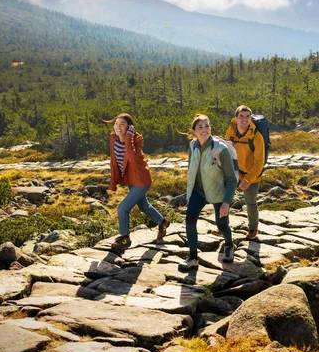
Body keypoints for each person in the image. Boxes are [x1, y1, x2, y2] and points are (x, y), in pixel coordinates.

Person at [179, 114, 238, 272]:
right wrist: (189, 194)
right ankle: (192, 258)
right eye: (200, 127)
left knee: (221, 224)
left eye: (207, 126)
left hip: (218, 191)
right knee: (190, 219)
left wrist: (227, 202)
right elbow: (192, 171)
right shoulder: (192, 146)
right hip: (198, 191)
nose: (204, 129)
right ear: (194, 131)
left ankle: (229, 245)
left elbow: (232, 179)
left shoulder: (221, 149)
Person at [108, 113, 169, 251]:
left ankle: (125, 237)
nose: (118, 126)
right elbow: (114, 160)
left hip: (141, 180)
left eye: (122, 124)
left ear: (129, 127)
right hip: (131, 179)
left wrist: (129, 136)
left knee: (122, 209)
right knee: (144, 207)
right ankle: (163, 222)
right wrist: (113, 181)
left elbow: (132, 157)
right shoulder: (113, 138)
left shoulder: (136, 140)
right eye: (116, 123)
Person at [225, 105, 265, 240]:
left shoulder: (256, 136)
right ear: (236, 118)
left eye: (247, 116)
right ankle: (223, 226)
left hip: (252, 174)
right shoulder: (230, 132)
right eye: (241, 116)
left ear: (251, 118)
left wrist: (247, 179)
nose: (244, 119)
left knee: (251, 203)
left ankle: (253, 229)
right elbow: (226, 153)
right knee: (223, 199)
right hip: (235, 171)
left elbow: (259, 162)